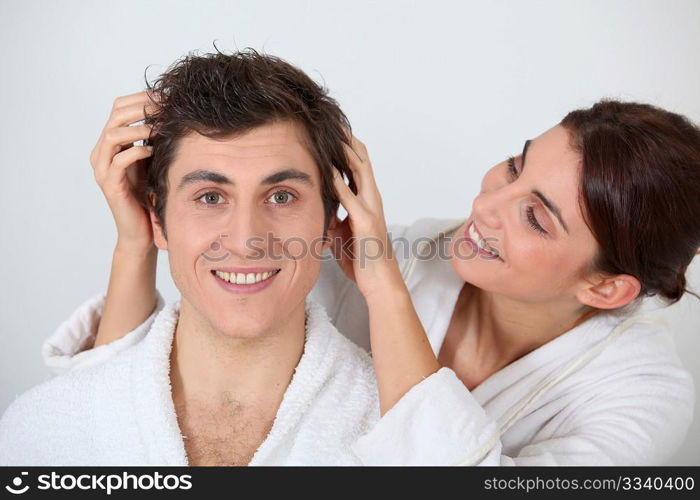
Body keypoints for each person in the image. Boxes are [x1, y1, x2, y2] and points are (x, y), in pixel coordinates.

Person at [6, 55, 700, 464]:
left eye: (535, 216)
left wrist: (381, 284)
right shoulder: (420, 247)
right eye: (514, 167)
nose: (488, 207)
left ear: (608, 287)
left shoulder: (643, 397)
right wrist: (138, 238)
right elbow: (108, 411)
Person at [0, 49, 475, 466]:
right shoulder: (44, 428)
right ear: (158, 222)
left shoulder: (403, 439)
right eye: (210, 197)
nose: (248, 239)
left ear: (334, 222)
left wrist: (382, 282)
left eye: (282, 196)